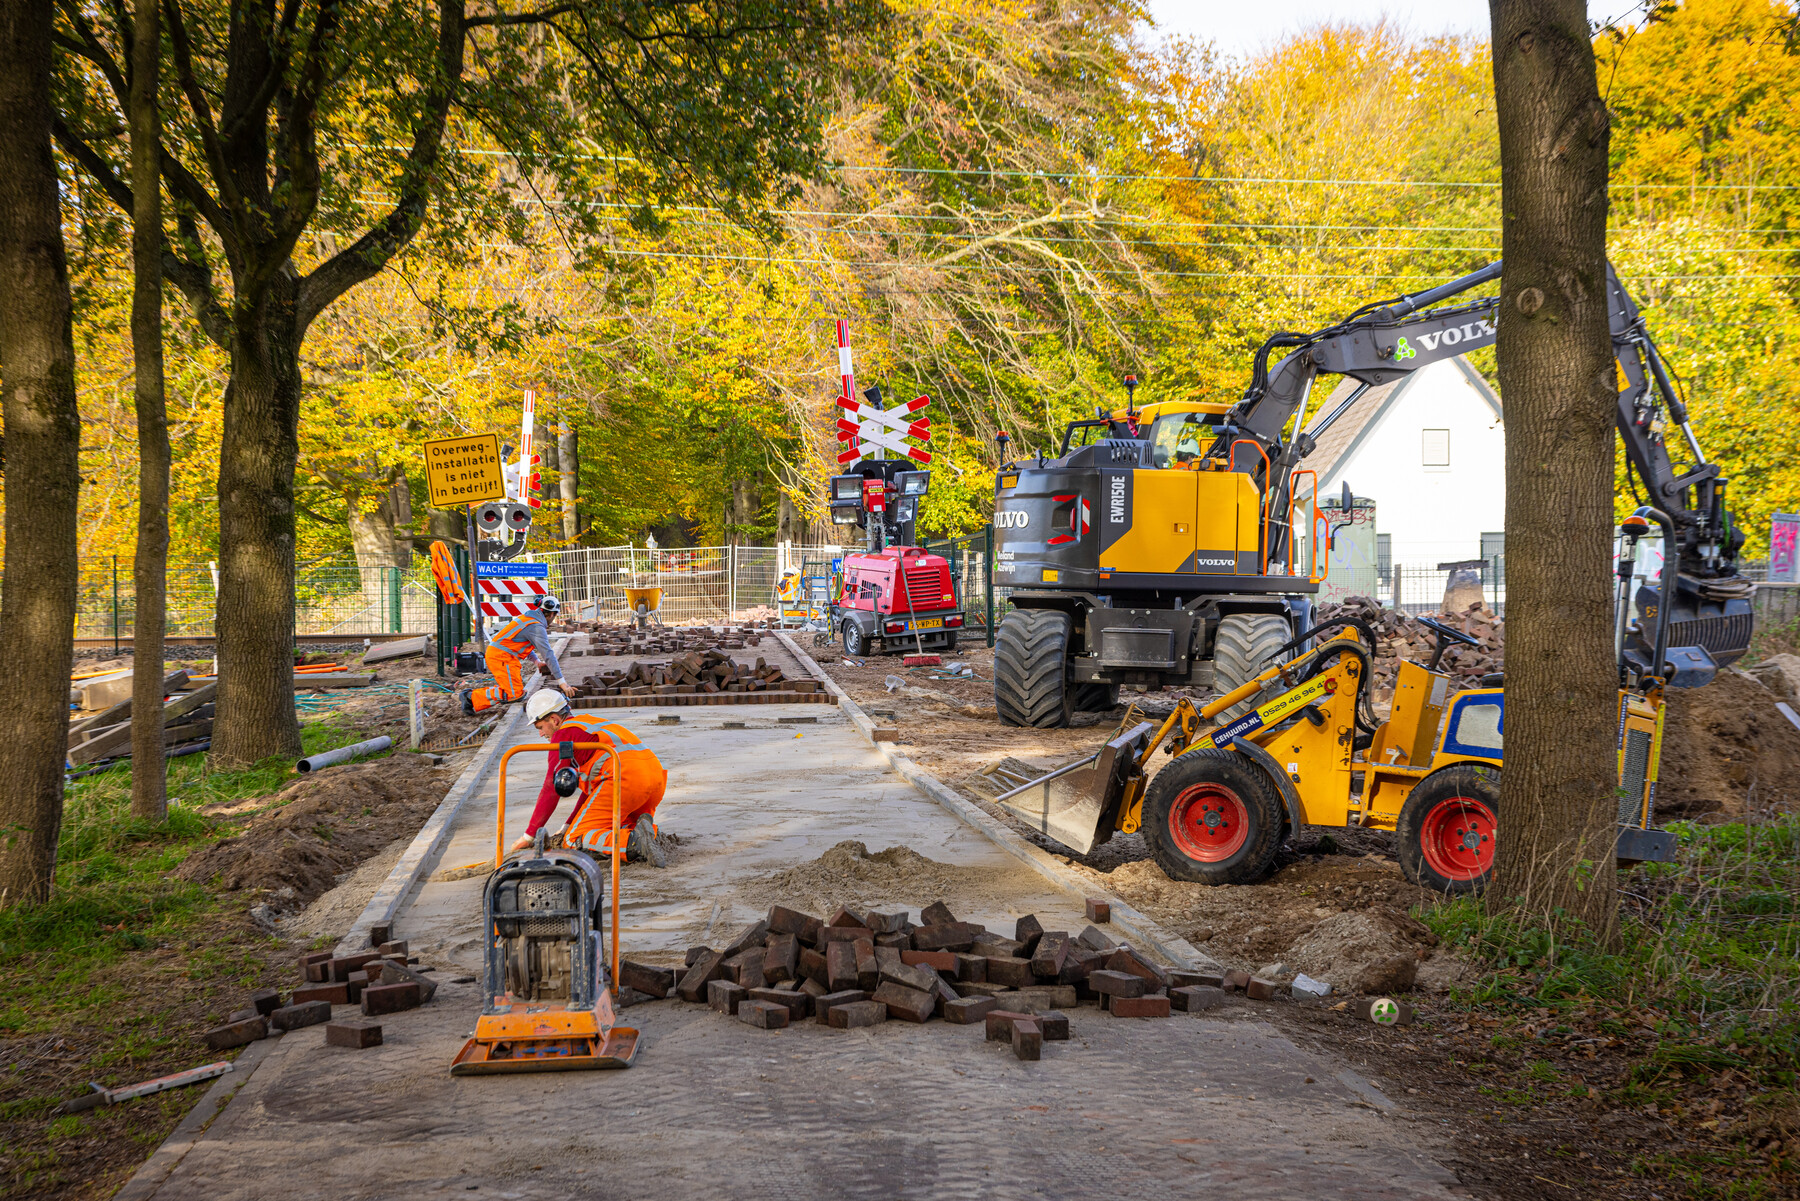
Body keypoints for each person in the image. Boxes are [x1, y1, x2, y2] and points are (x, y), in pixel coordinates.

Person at [513, 689, 668, 866]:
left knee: (573, 839)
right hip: (654, 779)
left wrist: (529, 835)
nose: (541, 734)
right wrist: (567, 824)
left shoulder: (563, 735)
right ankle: (645, 832)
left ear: (554, 720)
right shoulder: (588, 723)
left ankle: (634, 843)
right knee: (613, 826)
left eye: (540, 727)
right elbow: (593, 792)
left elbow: (551, 787)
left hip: (624, 780)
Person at [463, 594, 573, 715]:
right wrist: (562, 682)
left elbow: (519, 643)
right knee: (515, 695)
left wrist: (536, 662)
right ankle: (470, 697)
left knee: (516, 693)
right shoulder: (536, 626)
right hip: (501, 657)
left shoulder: (529, 619)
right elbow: (548, 654)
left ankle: (472, 698)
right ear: (552, 614)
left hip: (503, 657)